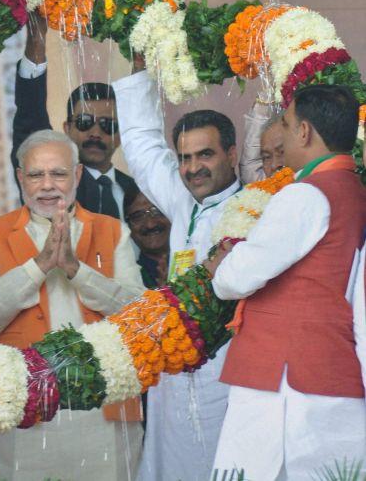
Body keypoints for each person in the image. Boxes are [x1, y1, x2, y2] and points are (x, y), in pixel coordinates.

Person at [0, 129, 145, 481]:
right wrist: (38, 267)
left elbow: (138, 314)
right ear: (20, 178)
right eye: (36, 175)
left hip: (101, 416)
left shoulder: (112, 231)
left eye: (58, 174)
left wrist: (76, 269)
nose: (47, 185)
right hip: (21, 420)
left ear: (76, 175)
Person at [206, 85, 366, 479]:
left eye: (287, 122)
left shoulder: (306, 195)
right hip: (326, 367)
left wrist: (222, 265)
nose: (282, 129)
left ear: (305, 133)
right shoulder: (355, 191)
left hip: (283, 375)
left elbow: (234, 280)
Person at [114, 54, 242, 481]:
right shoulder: (182, 197)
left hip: (229, 373)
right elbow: (142, 147)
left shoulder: (258, 207)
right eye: (185, 157)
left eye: (205, 154)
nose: (192, 168)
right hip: (173, 373)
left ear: (232, 152)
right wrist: (139, 70)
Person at [11, 13, 138, 219]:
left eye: (107, 125)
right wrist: (37, 38)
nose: (95, 133)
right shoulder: (54, 182)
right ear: (67, 128)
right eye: (84, 122)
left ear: (121, 133)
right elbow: (30, 119)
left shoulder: (138, 190)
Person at [123, 189, 171, 288]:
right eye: (138, 217)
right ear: (129, 229)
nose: (150, 224)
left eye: (156, 211)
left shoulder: (198, 258)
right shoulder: (128, 281)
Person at [239, 97, 284, 182]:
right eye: (266, 157)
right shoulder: (262, 185)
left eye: (282, 152)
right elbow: (250, 167)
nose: (274, 165)